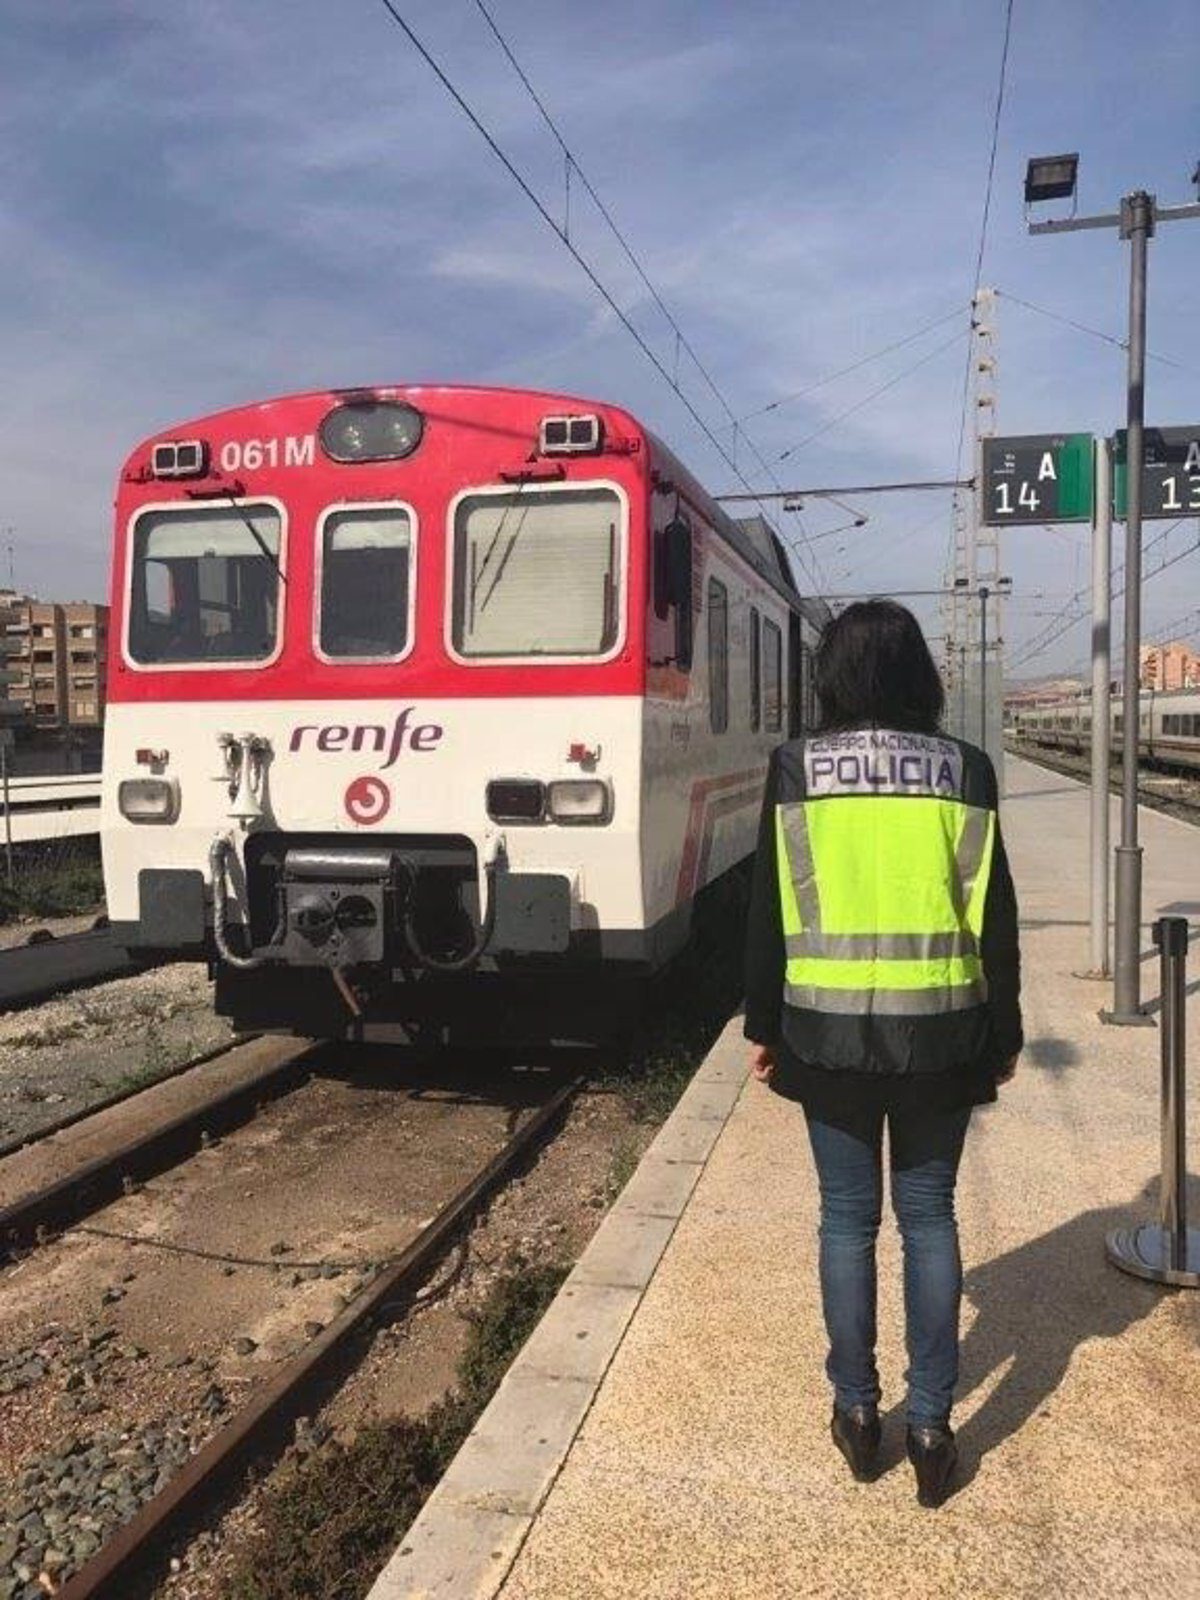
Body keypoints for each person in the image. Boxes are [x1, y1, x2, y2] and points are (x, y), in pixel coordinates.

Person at [743, 599, 1021, 1508]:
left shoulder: (796, 770)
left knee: (846, 1222)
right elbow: (996, 920)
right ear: (920, 675)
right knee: (931, 1219)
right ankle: (934, 1426)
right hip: (943, 1034)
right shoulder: (966, 771)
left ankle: (860, 1416)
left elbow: (769, 912)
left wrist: (763, 1027)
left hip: (825, 1038)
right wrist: (1005, 1032)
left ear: (832, 674)